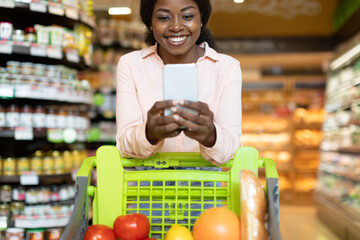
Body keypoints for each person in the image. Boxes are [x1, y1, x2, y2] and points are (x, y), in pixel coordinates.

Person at [116, 0, 242, 165]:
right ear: (150, 23)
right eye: (163, 18)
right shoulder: (131, 65)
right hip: (145, 185)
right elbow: (123, 145)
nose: (176, 26)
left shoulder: (226, 68)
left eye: (187, 16)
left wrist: (211, 136)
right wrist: (148, 133)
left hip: (206, 186)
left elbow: (232, 150)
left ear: (202, 18)